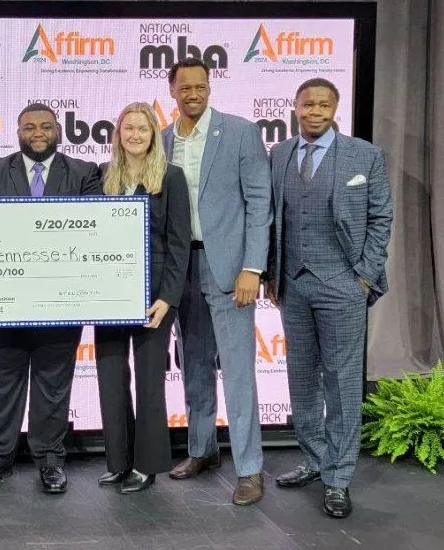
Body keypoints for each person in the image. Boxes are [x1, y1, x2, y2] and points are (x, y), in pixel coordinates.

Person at [265, 78, 393, 519]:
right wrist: (270, 274)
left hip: (343, 284)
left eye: (323, 104)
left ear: (335, 109)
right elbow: (271, 218)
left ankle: (338, 477)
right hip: (293, 284)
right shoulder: (279, 154)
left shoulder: (364, 155)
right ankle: (315, 459)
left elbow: (381, 217)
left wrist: (364, 276)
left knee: (341, 383)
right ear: (295, 107)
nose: (314, 111)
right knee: (301, 377)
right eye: (307, 104)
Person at [0, 103, 102, 494]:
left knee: (53, 388)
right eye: (29, 127)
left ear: (59, 129)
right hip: (5, 302)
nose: (37, 132)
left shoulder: (83, 173)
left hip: (61, 303)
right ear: (18, 131)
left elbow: (96, 231)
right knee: (3, 387)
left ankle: (50, 462)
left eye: (45, 126)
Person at [161, 58, 272, 505]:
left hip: (229, 269)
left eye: (200, 85)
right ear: (172, 90)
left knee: (239, 371)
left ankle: (250, 469)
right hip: (180, 267)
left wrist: (253, 267)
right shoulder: (163, 139)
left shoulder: (241, 132)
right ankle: (202, 449)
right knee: (194, 365)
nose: (193, 93)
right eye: (185, 86)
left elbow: (260, 201)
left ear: (210, 87)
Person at [95, 102, 191, 493]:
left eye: (143, 129)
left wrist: (168, 298)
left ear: (154, 135)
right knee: (110, 378)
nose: (135, 135)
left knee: (150, 381)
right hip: (108, 295)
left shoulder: (171, 177)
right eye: (128, 128)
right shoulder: (103, 177)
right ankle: (118, 462)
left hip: (155, 297)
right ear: (118, 134)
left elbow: (179, 243)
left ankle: (147, 465)